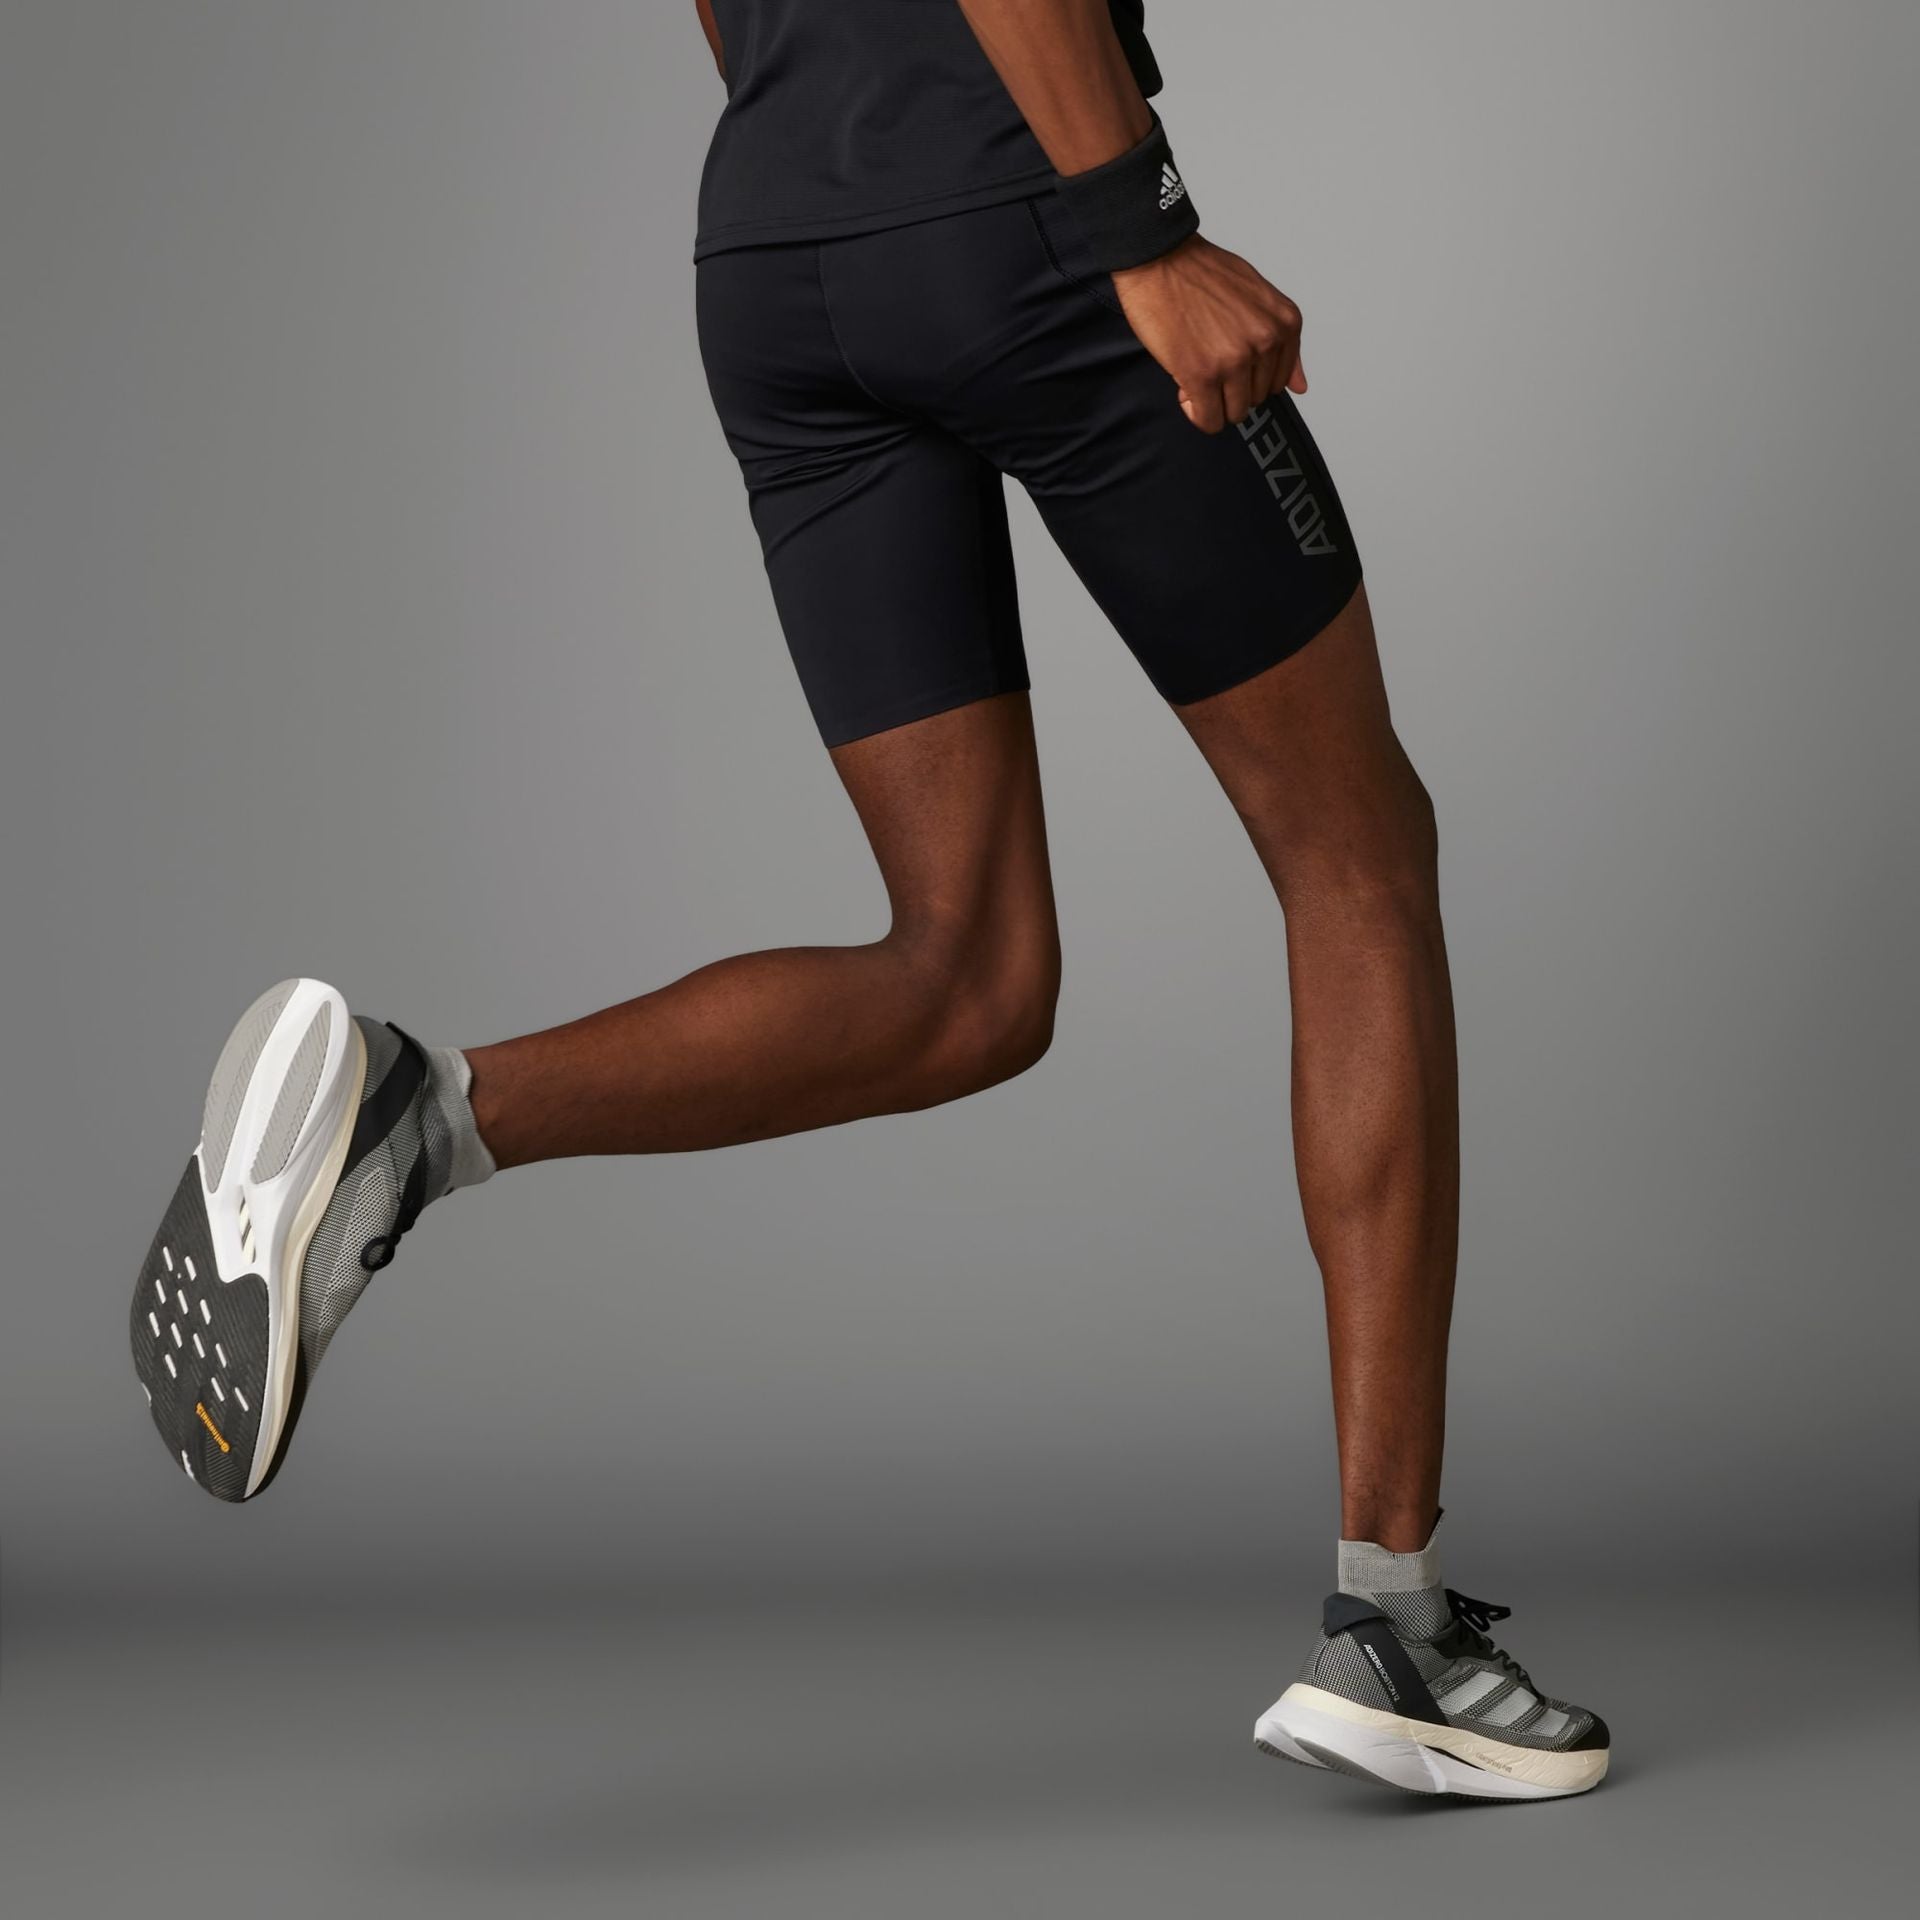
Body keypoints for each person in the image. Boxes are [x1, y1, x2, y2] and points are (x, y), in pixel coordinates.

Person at [129, 1, 1607, 1801]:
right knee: (1357, 859)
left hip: (777, 248)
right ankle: (1397, 1625)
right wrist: (1136, 231)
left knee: (969, 978)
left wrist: (856, 156)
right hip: (1026, 218)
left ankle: (416, 1113)